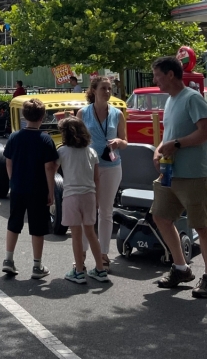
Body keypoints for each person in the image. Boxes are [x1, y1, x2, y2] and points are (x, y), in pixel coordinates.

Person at [150, 55, 207, 297]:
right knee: (160, 216)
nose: (155, 79)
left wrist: (177, 144)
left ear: (170, 74)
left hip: (195, 175)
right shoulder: (171, 100)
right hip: (171, 174)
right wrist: (159, 150)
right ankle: (181, 267)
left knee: (201, 226)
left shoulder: (192, 98)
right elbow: (170, 134)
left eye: (157, 75)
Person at [0, 98, 57, 280]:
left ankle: (8, 259)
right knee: (38, 227)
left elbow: (8, 162)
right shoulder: (45, 139)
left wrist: (12, 181)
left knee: (14, 223)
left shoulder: (14, 137)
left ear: (24, 116)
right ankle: (37, 265)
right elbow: (49, 167)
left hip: (18, 186)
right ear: (43, 117)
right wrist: (51, 190)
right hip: (38, 188)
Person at [78, 75, 128, 269]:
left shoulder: (117, 114)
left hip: (111, 167)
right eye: (103, 88)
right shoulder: (83, 113)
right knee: (87, 211)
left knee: (105, 210)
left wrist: (118, 142)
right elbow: (77, 141)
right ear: (94, 90)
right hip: (89, 167)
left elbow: (125, 141)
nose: (107, 92)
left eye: (109, 89)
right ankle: (81, 252)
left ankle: (104, 254)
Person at [57, 115, 109, 284]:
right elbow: (97, 178)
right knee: (91, 233)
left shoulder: (62, 151)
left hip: (71, 196)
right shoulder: (92, 152)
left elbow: (53, 167)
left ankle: (79, 270)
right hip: (89, 195)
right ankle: (100, 269)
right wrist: (97, 198)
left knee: (76, 235)